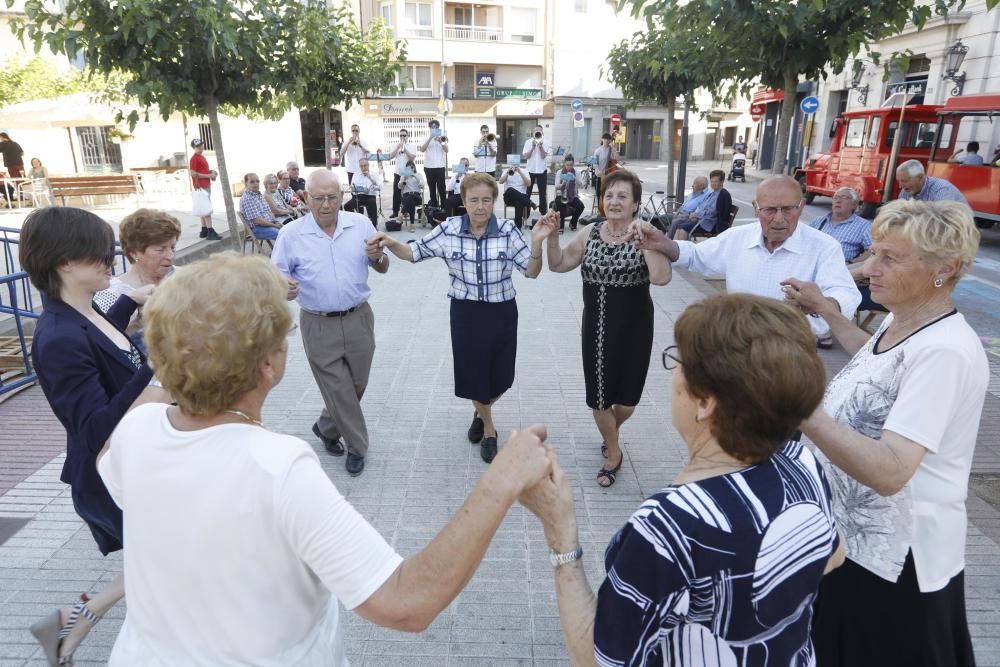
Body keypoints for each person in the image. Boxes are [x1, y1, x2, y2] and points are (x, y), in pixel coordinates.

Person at [96, 251, 556, 665]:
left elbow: (115, 446)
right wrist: (503, 479)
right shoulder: (278, 468)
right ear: (269, 366)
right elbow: (406, 601)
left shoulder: (138, 429)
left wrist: (172, 356)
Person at [519, 293, 844, 667]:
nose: (672, 373)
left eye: (679, 361)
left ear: (705, 401)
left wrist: (559, 531)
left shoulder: (668, 525)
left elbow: (597, 659)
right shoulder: (800, 461)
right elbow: (834, 556)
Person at [780, 200, 987, 667]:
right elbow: (874, 365)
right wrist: (827, 313)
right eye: (873, 253)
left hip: (895, 560)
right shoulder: (906, 322)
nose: (868, 268)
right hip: (857, 542)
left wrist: (800, 405)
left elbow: (893, 471)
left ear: (945, 268)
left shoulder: (944, 352)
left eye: (889, 258)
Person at [19, 207, 169, 667]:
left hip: (135, 467)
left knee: (162, 559)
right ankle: (80, 625)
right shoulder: (57, 337)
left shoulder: (86, 312)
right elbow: (93, 426)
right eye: (100, 254)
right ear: (65, 262)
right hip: (108, 477)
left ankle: (71, 622)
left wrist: (134, 302)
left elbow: (107, 338)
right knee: (167, 563)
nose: (110, 261)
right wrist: (151, 371)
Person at [367, 173, 545, 463]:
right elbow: (414, 253)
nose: (480, 207)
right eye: (473, 200)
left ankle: (481, 409)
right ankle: (489, 428)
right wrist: (389, 241)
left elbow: (532, 271)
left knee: (502, 378)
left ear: (494, 202)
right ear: (463, 201)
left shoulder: (508, 231)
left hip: (501, 311)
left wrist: (537, 243)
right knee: (474, 375)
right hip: (465, 314)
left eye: (486, 200)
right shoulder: (449, 229)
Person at [541, 169, 672, 486]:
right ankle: (614, 453)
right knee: (599, 400)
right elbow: (558, 265)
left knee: (627, 402)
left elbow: (661, 278)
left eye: (622, 196)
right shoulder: (590, 233)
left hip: (636, 329)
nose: (614, 201)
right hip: (597, 331)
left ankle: (611, 430)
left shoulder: (646, 233)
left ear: (636, 203)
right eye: (609, 195)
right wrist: (554, 237)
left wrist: (648, 244)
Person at [638, 175, 861, 350]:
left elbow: (846, 294)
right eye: (770, 210)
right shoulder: (739, 238)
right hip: (739, 349)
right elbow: (696, 255)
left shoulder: (823, 247)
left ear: (801, 207)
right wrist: (661, 242)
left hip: (792, 352)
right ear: (756, 208)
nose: (779, 219)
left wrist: (820, 303)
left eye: (788, 209)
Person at [271, 170, 387, 477]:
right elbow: (275, 278)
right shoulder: (291, 234)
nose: (326, 205)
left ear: (342, 197)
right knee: (338, 388)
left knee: (356, 385)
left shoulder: (360, 224)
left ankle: (326, 427)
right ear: (306, 198)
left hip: (359, 317)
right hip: (318, 323)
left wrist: (379, 257)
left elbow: (383, 266)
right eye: (319, 198)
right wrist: (284, 286)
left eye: (332, 197)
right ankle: (358, 446)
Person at [93, 209, 181, 347]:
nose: (171, 256)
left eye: (173, 247)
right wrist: (137, 324)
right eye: (161, 249)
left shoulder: (184, 278)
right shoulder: (110, 294)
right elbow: (104, 347)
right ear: (134, 252)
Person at [669, 169, 732, 240]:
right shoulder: (712, 194)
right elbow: (701, 207)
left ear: (722, 181)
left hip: (707, 224)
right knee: (679, 227)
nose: (713, 183)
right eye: (712, 181)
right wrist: (694, 214)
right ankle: (676, 249)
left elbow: (712, 212)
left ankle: (679, 249)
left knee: (682, 227)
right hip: (701, 220)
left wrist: (696, 215)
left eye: (716, 181)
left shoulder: (722, 195)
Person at [188, 138, 222, 240]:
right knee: (206, 209)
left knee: (203, 208)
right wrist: (208, 176)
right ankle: (210, 231)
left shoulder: (201, 157)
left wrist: (212, 172)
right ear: (194, 148)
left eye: (201, 145)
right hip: (201, 186)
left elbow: (203, 170)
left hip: (205, 185)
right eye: (197, 146)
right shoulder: (194, 158)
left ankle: (204, 230)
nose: (200, 147)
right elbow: (192, 173)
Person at [895, 159, 968, 204]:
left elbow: (941, 221)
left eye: (904, 181)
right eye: (899, 181)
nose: (900, 186)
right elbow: (900, 213)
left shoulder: (941, 189)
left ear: (919, 177)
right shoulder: (906, 190)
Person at [239, 173, 283, 241]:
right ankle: (283, 251)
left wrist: (276, 222)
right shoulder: (247, 199)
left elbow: (269, 212)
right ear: (246, 183)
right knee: (282, 234)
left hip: (268, 224)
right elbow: (258, 221)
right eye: (252, 182)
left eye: (257, 181)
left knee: (287, 231)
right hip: (258, 228)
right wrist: (275, 225)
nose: (256, 184)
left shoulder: (259, 195)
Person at [522, 125, 552, 213]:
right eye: (536, 130)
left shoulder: (546, 142)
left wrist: (540, 146)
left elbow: (543, 156)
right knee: (527, 192)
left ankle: (543, 212)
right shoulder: (528, 142)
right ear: (533, 133)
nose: (538, 132)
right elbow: (526, 157)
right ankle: (526, 212)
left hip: (542, 170)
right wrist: (532, 147)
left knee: (542, 193)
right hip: (530, 170)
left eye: (539, 130)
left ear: (542, 132)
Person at [342, 158, 380, 227]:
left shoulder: (374, 174)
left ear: (368, 165)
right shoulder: (356, 174)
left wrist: (370, 177)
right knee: (347, 206)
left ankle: (374, 226)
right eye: (361, 166)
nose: (363, 168)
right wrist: (357, 190)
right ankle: (354, 223)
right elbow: (352, 187)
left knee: (372, 203)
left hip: (370, 196)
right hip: (359, 196)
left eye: (365, 165)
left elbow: (378, 188)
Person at [420, 119, 448, 208]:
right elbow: (422, 149)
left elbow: (447, 150)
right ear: (430, 128)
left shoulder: (442, 138)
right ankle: (434, 208)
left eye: (436, 127)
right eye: (432, 127)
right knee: (432, 189)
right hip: (429, 167)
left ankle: (444, 208)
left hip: (440, 167)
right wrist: (430, 138)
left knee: (442, 189)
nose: (434, 128)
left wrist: (441, 142)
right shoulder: (425, 137)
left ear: (438, 128)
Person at [552, 154, 585, 233]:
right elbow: (556, 186)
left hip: (572, 196)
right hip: (560, 195)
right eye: (567, 165)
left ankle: (573, 223)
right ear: (564, 164)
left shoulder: (576, 173)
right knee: (562, 203)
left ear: (573, 164)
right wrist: (563, 184)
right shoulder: (559, 172)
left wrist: (574, 178)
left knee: (581, 206)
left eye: (571, 165)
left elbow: (581, 186)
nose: (569, 167)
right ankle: (561, 226)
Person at [389, 129, 416, 220]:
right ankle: (395, 212)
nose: (402, 137)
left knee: (407, 193)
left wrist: (405, 149)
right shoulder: (395, 145)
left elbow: (412, 159)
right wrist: (398, 147)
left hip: (408, 173)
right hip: (398, 172)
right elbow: (391, 157)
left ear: (408, 136)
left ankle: (406, 211)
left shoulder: (412, 146)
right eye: (401, 136)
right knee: (396, 193)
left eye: (404, 135)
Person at [499, 164, 536, 229]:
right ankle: (529, 202)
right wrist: (508, 172)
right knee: (510, 189)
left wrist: (520, 172)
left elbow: (529, 184)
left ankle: (518, 227)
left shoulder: (524, 171)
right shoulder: (506, 170)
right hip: (509, 197)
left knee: (518, 202)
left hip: (521, 198)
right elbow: (500, 181)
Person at [397, 159, 425, 233]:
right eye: (408, 168)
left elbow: (422, 185)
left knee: (411, 197)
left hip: (417, 196)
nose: (411, 169)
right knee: (410, 199)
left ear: (414, 167)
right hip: (406, 197)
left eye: (412, 167)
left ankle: (401, 214)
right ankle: (412, 224)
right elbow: (399, 187)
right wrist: (404, 179)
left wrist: (415, 176)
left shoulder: (419, 175)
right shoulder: (403, 176)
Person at [592, 133, 619, 197]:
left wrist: (614, 148)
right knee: (599, 194)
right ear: (602, 140)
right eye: (605, 139)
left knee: (609, 194)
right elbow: (595, 163)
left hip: (609, 175)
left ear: (610, 140)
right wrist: (598, 171)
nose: (606, 141)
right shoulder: (598, 150)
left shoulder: (611, 150)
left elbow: (616, 159)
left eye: (608, 139)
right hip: (600, 175)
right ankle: (600, 206)